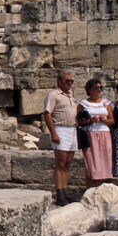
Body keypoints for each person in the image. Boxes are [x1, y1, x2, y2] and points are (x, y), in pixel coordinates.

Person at [43, 72, 77, 205]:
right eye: (67, 81)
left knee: (67, 164)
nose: (69, 83)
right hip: (60, 129)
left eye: (71, 81)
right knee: (60, 163)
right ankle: (59, 193)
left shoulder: (70, 96)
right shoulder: (53, 95)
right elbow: (47, 114)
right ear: (59, 82)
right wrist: (53, 133)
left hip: (72, 129)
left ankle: (65, 190)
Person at [79, 77, 114, 185]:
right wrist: (90, 121)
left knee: (104, 160)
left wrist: (105, 120)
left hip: (104, 133)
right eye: (95, 87)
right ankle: (91, 187)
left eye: (100, 88)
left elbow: (112, 120)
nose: (98, 90)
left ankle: (102, 186)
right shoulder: (83, 104)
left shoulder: (105, 103)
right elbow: (79, 121)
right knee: (92, 162)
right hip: (90, 134)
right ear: (89, 89)